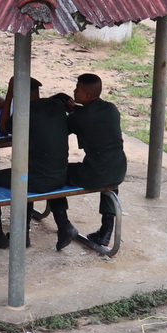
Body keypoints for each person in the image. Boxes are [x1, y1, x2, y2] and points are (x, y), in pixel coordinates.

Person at [0, 76, 70, 250]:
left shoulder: (24, 113)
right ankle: (34, 231)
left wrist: (9, 95)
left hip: (37, 179)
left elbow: (3, 128)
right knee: (24, 174)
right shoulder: (56, 106)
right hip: (60, 174)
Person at [50, 73, 127, 250]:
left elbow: (61, 129)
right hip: (118, 168)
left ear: (88, 96)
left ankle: (64, 224)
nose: (74, 91)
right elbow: (90, 115)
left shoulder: (79, 117)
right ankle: (106, 230)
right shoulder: (111, 108)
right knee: (109, 180)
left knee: (52, 176)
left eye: (77, 89)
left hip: (95, 173)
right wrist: (75, 109)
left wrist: (66, 111)